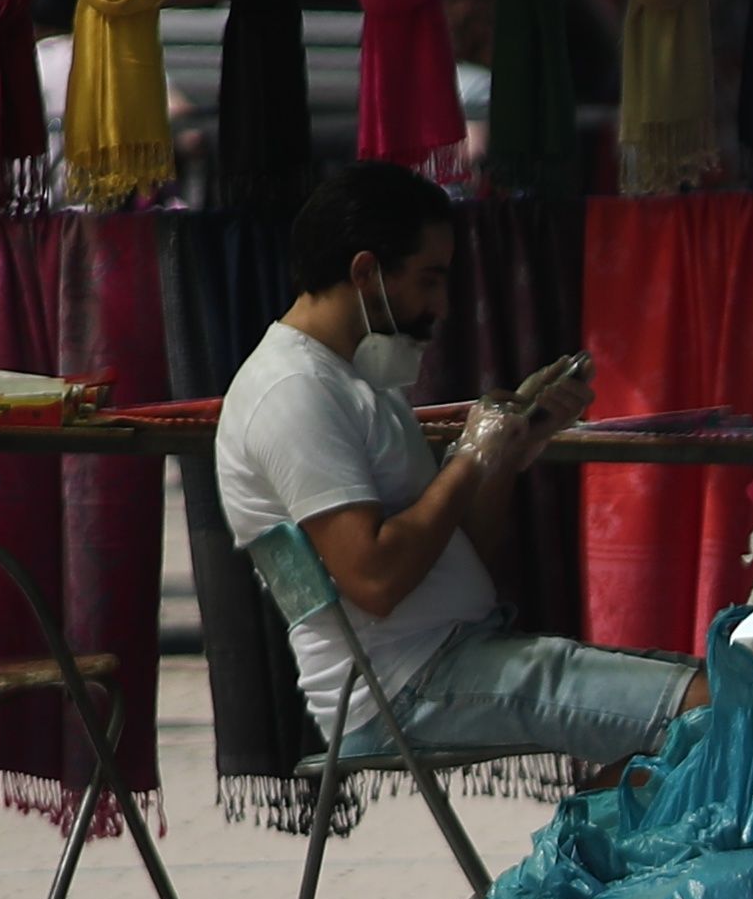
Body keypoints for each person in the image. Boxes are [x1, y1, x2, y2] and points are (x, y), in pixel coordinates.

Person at [214, 161, 701, 773]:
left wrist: (506, 452)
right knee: (711, 708)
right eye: (429, 280)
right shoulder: (294, 390)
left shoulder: (357, 377)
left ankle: (612, 834)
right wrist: (471, 456)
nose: (440, 305)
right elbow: (375, 581)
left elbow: (456, 549)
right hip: (400, 688)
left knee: (724, 692)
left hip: (450, 655)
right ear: (365, 273)